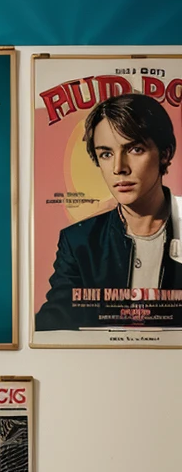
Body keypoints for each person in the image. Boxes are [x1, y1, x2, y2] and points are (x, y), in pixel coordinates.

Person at [36, 92, 182, 331]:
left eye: (135, 149)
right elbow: (55, 321)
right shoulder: (78, 242)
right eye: (106, 154)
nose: (118, 168)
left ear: (165, 153)